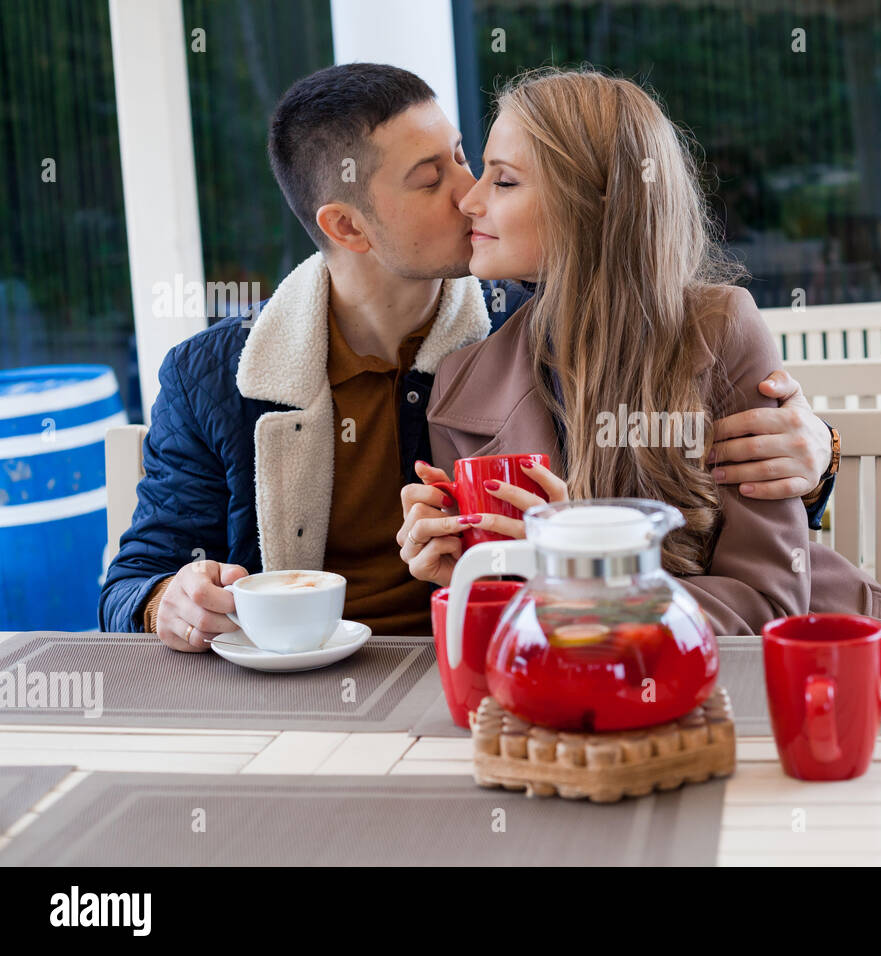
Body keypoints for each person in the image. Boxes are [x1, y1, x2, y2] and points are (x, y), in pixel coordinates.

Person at [98, 63, 838, 647]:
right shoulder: (215, 377)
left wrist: (821, 453)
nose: (469, 194)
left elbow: (745, 555)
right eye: (435, 177)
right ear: (347, 226)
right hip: (313, 688)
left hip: (490, 668)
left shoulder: (528, 320)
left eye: (473, 162)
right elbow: (132, 582)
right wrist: (169, 600)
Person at [397, 67, 881, 635]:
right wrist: (460, 577)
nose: (468, 200)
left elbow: (768, 603)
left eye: (505, 181)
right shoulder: (459, 382)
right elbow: (509, 628)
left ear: (598, 201)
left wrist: (592, 573)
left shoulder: (720, 331)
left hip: (810, 671)